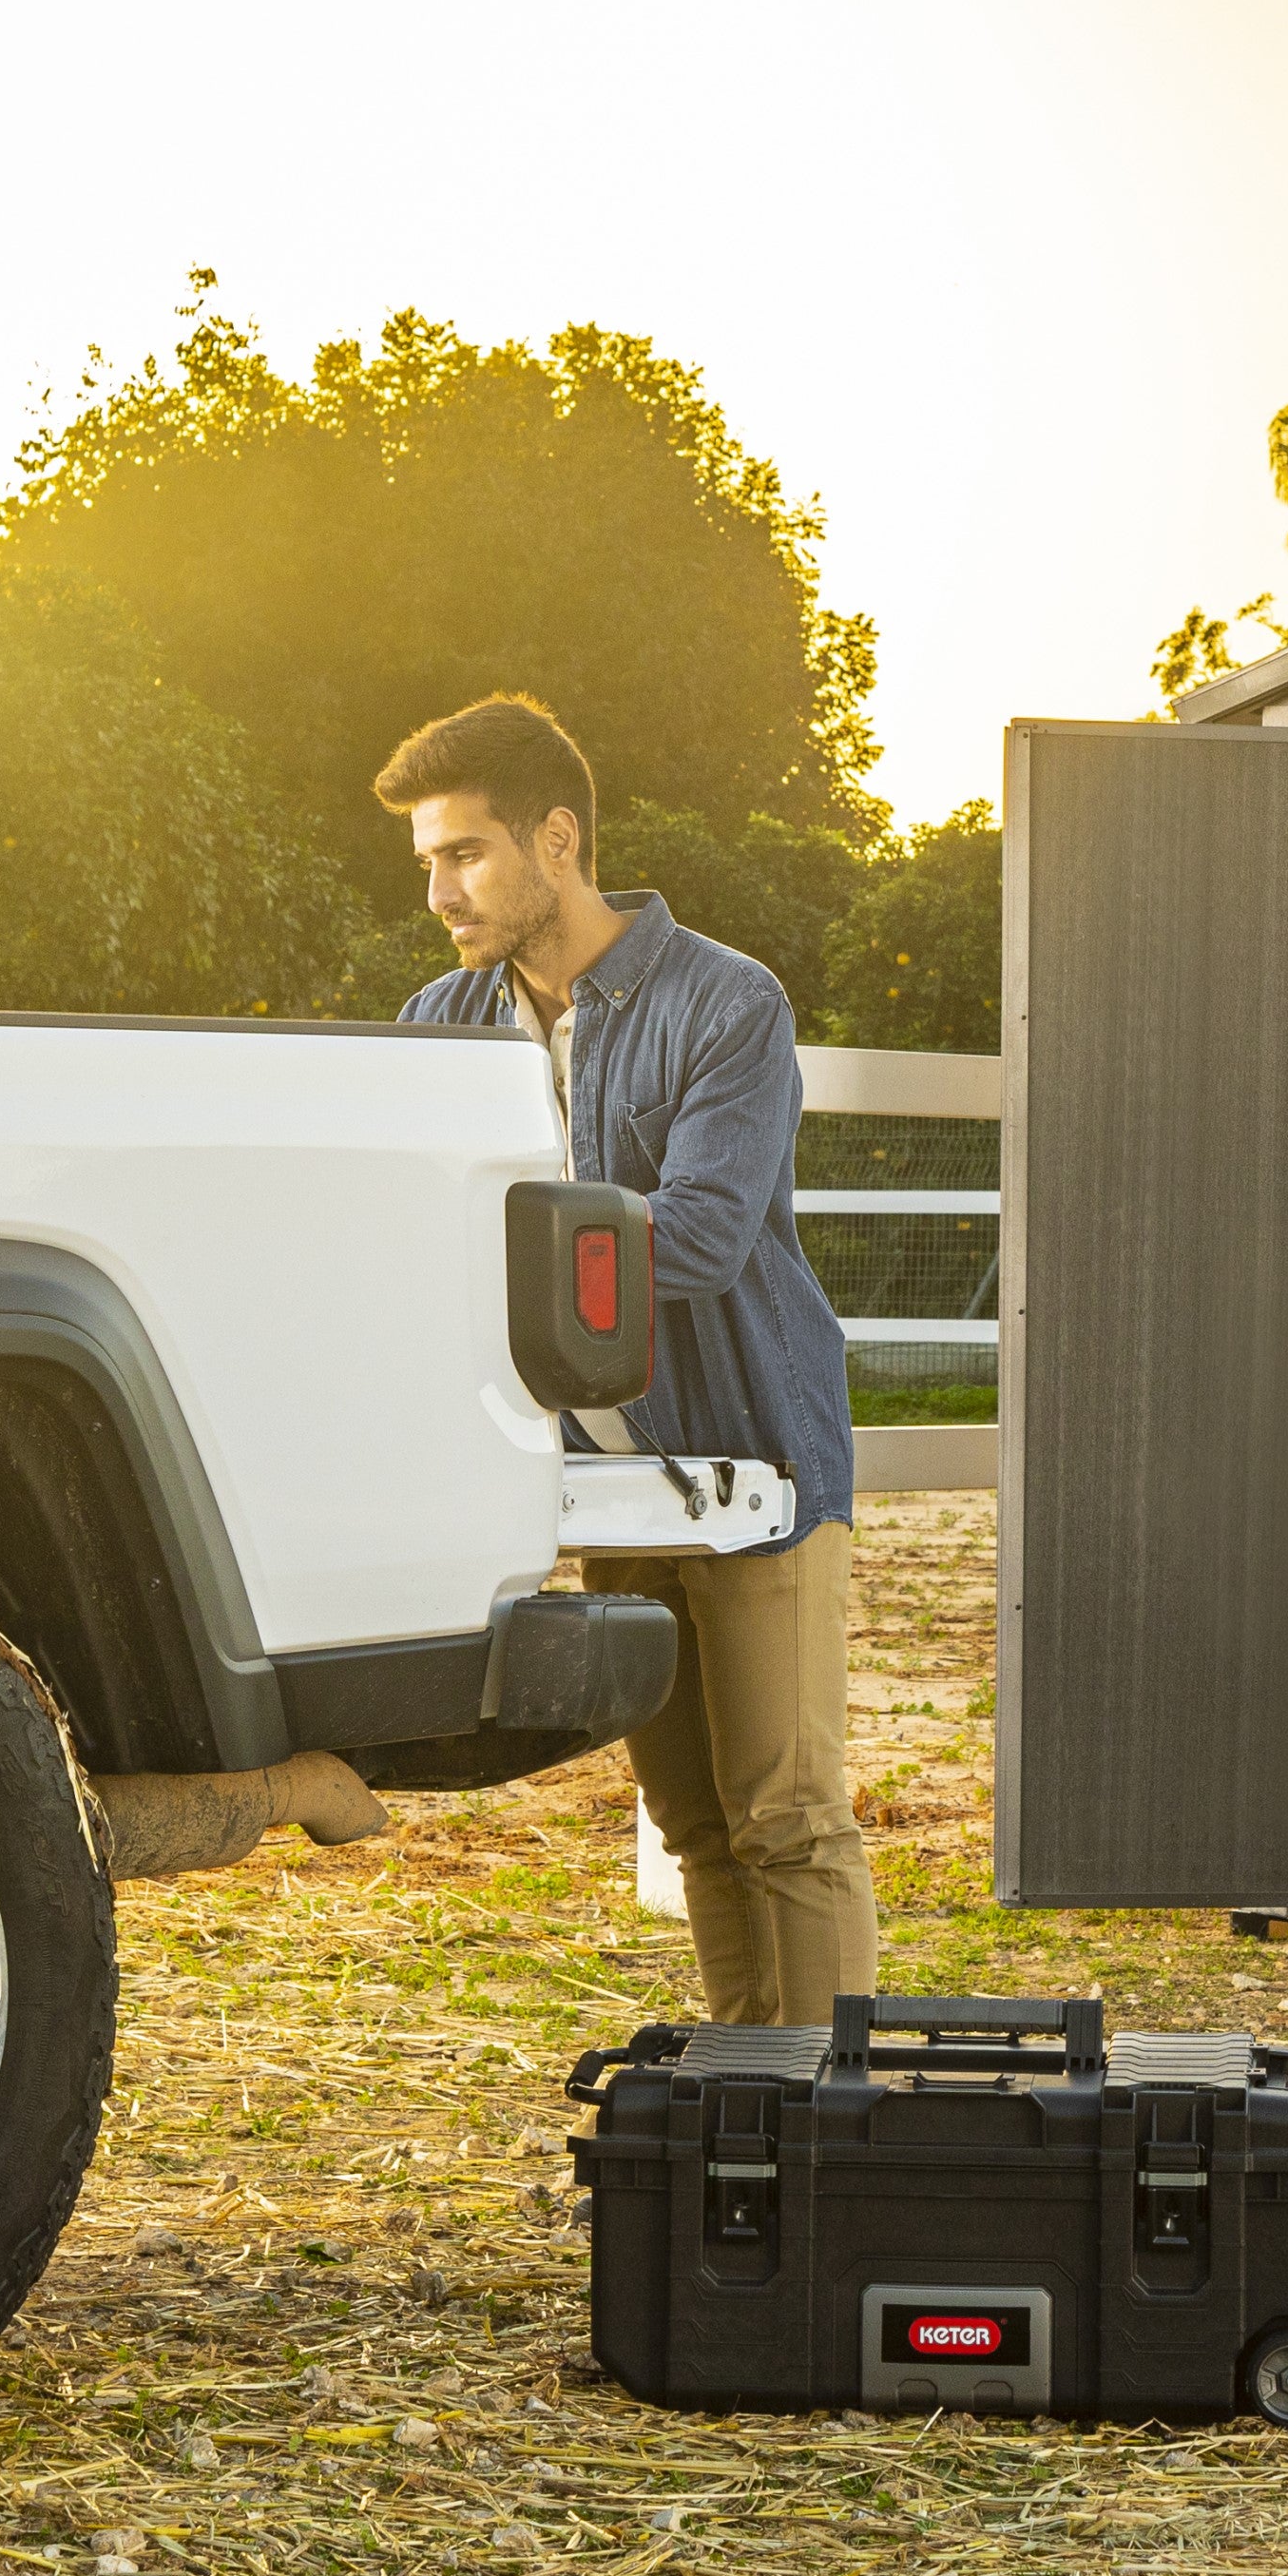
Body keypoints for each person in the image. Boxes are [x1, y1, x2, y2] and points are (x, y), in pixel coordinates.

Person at [376, 693, 878, 2024]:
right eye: (427, 861)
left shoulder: (727, 1002)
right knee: (695, 1822)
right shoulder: (442, 1018)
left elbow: (704, 1240)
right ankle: (744, 2100)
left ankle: (836, 2124)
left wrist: (492, 1252)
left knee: (788, 1811)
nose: (440, 891)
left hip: (752, 1454)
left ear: (557, 838)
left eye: (465, 852)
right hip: (605, 1481)